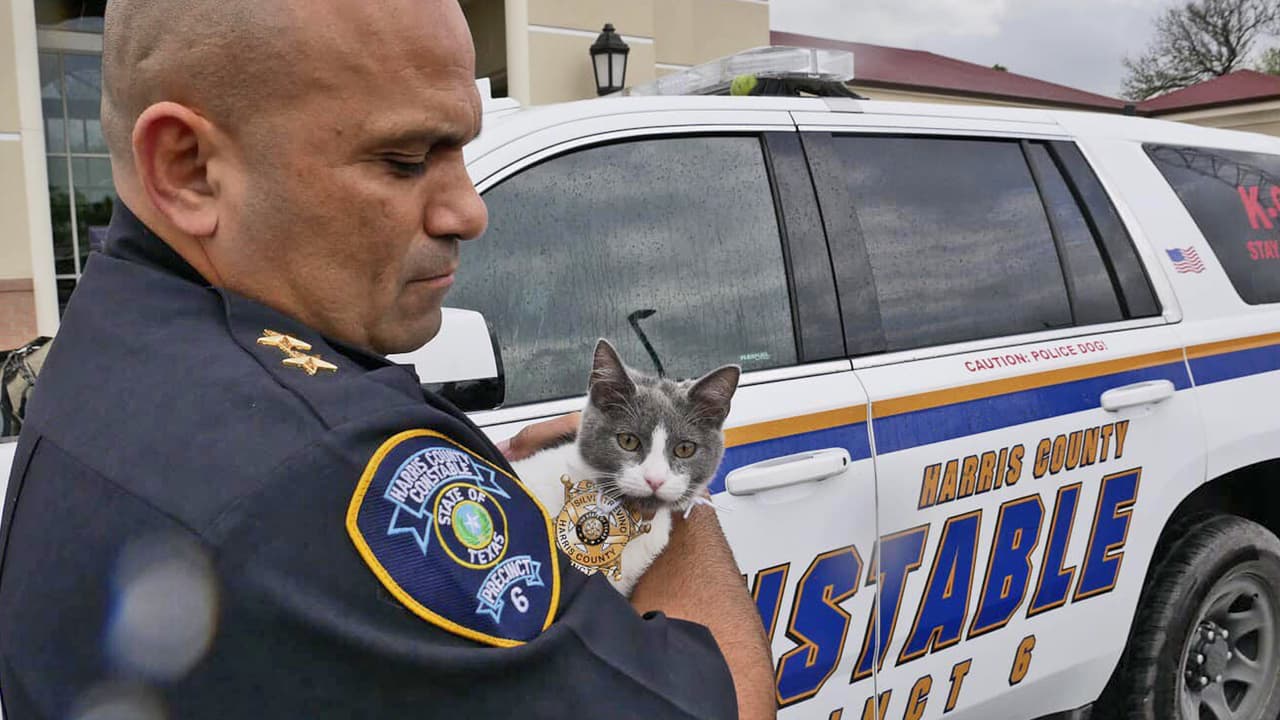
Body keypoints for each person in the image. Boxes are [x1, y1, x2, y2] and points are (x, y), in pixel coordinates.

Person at [0, 1, 775, 717]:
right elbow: (726, 704)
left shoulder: (105, 334)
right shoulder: (330, 464)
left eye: (461, 150)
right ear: (188, 167)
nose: (469, 211)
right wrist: (683, 505)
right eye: (404, 160)